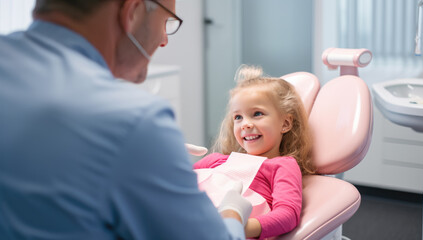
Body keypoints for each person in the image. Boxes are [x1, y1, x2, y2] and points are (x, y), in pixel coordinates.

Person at [0, 0, 252, 239]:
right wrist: (232, 211)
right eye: (166, 22)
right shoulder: (133, 121)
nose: (164, 40)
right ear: (132, 11)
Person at [193, 65, 315, 239]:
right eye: (238, 117)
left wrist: (240, 227)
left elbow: (288, 215)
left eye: (257, 114)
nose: (245, 124)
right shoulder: (215, 161)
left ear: (285, 124)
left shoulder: (281, 166)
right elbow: (173, 184)